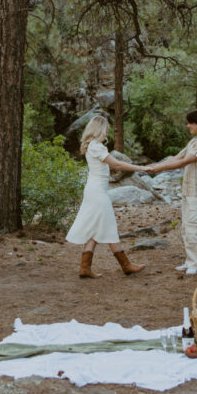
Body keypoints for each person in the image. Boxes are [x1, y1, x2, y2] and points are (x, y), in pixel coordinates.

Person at [65, 114, 148, 278]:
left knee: (96, 227)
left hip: (94, 189)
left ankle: (85, 267)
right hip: (97, 192)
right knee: (108, 225)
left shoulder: (92, 146)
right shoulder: (97, 146)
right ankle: (126, 265)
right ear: (100, 129)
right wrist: (138, 168)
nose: (107, 132)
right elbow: (116, 164)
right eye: (106, 129)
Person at [146, 109, 197, 276]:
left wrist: (158, 168)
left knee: (193, 227)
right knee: (186, 227)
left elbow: (184, 162)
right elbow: (177, 157)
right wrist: (154, 167)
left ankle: (195, 263)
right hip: (188, 190)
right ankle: (189, 260)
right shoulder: (193, 142)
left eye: (190, 122)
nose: (188, 126)